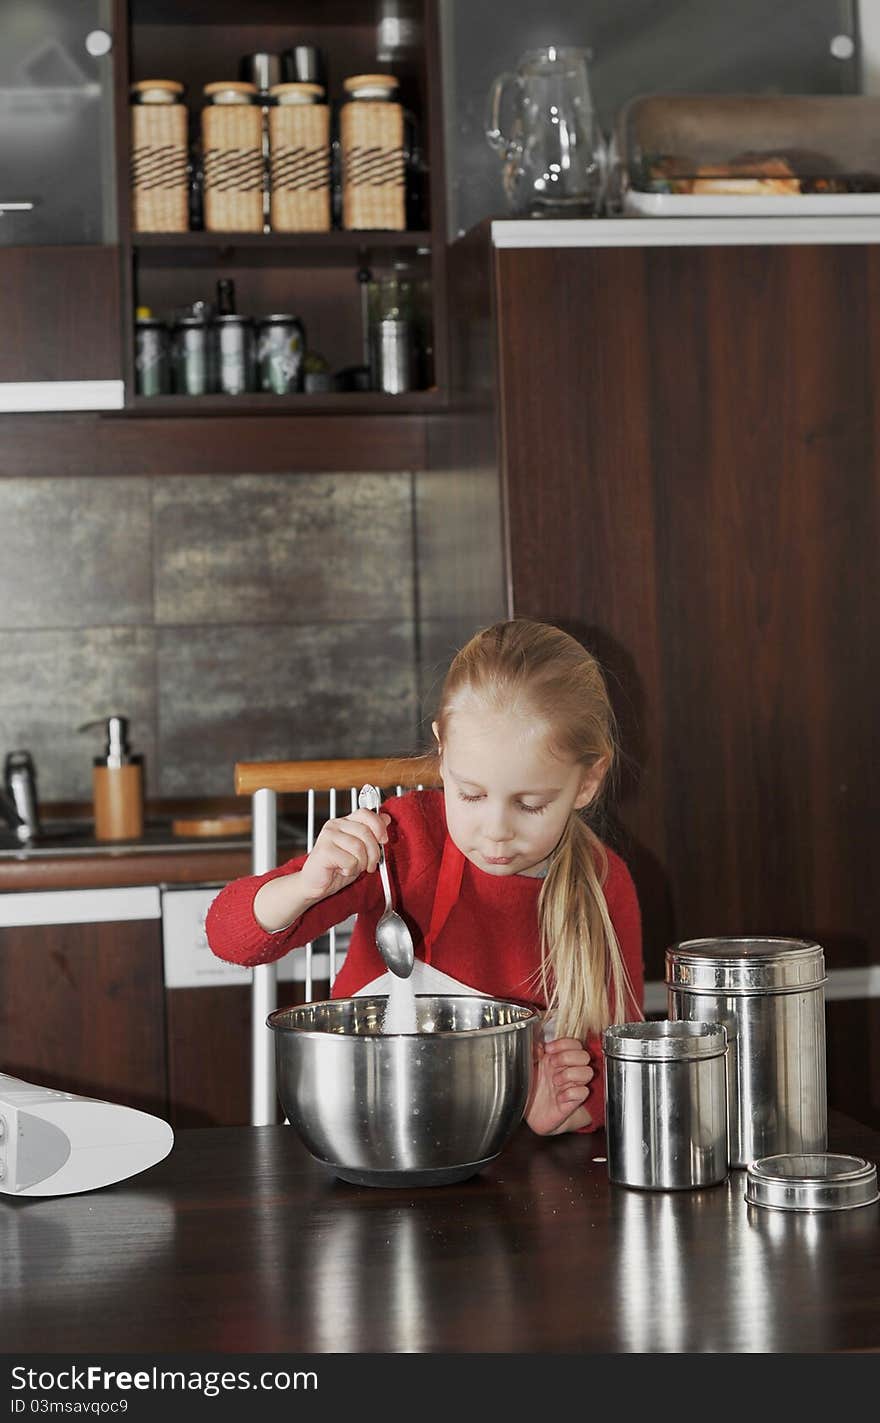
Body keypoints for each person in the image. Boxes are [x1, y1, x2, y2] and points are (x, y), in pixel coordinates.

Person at [206, 618, 644, 1136]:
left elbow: (619, 1057)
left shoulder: (601, 883)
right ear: (442, 750)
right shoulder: (402, 839)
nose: (496, 832)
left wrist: (565, 1107)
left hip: (497, 1153)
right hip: (362, 1126)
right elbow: (229, 938)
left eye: (530, 805)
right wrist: (306, 886)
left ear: (588, 780)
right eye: (471, 795)